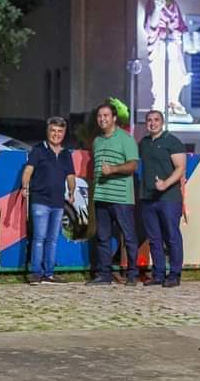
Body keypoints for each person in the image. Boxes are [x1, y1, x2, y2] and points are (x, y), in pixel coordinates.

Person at [87, 102, 140, 286]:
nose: (102, 119)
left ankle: (132, 274)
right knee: (102, 238)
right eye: (99, 116)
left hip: (121, 198)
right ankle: (105, 275)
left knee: (128, 236)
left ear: (114, 118)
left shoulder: (126, 139)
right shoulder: (97, 141)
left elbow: (133, 165)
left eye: (106, 115)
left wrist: (114, 169)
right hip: (101, 196)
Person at [21, 117, 76, 284]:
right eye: (53, 130)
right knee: (39, 238)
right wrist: (24, 187)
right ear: (48, 131)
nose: (56, 134)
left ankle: (49, 273)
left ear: (64, 133)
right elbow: (28, 170)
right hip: (40, 201)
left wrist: (72, 192)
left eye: (60, 131)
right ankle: (36, 273)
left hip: (58, 203)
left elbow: (71, 176)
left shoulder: (66, 154)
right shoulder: (38, 150)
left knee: (52, 239)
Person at [138, 110, 186, 288]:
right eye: (149, 120)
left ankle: (174, 274)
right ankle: (158, 274)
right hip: (148, 197)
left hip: (169, 198)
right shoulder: (144, 143)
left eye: (156, 120)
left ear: (162, 122)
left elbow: (180, 167)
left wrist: (166, 184)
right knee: (154, 238)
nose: (152, 123)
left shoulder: (172, 142)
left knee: (172, 236)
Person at [145, 0, 190, 117]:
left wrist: (180, 35)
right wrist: (157, 10)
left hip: (173, 45)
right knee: (161, 73)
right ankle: (161, 102)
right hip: (160, 44)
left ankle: (174, 101)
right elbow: (151, 26)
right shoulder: (154, 3)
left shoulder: (174, 5)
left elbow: (180, 25)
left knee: (176, 73)